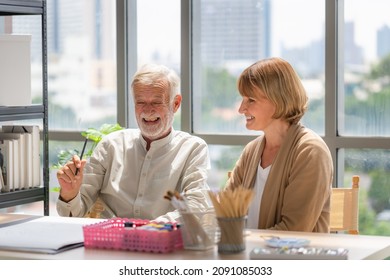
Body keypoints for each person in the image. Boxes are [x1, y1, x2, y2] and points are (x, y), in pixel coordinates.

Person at [56, 63, 211, 222]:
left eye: (156, 102)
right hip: (108, 241)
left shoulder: (193, 149)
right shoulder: (111, 146)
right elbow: (75, 214)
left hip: (164, 241)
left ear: (176, 104)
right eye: (141, 102)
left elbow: (196, 205)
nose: (148, 110)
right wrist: (69, 194)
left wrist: (150, 229)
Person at [225, 57, 333, 233]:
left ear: (278, 99)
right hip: (251, 256)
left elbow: (294, 230)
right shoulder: (252, 151)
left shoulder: (310, 151)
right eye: (242, 99)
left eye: (251, 100)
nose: (241, 109)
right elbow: (225, 210)